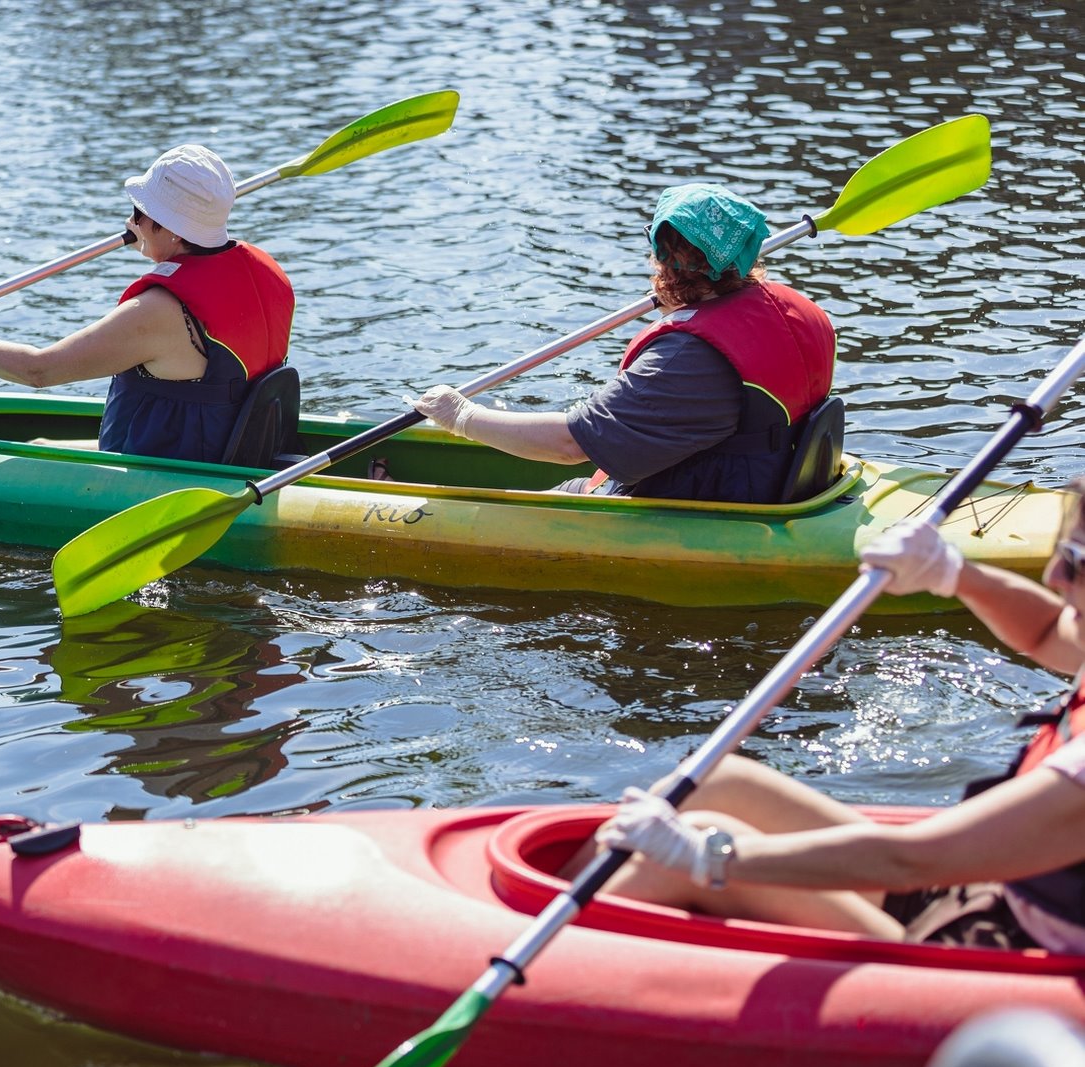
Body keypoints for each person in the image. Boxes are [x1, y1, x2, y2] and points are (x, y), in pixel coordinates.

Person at [587, 482, 1085, 953]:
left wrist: (704, 859)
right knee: (716, 782)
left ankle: (548, 976)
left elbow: (912, 858)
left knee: (691, 852)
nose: (1053, 577)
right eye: (1062, 551)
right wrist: (952, 572)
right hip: (981, 891)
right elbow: (1046, 632)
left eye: (1076, 561)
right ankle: (545, 909)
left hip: (990, 947)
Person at [412, 184, 835, 502]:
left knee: (548, 499)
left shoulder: (686, 358)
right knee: (566, 489)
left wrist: (462, 415)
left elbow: (569, 445)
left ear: (661, 257)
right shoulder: (797, 309)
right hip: (781, 479)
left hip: (705, 504)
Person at [0, 144, 295, 464]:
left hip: (174, 474)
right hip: (237, 453)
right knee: (41, 444)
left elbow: (38, 370)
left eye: (140, 213)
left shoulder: (159, 312)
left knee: (26, 457)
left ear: (174, 230)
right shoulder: (270, 273)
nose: (132, 222)